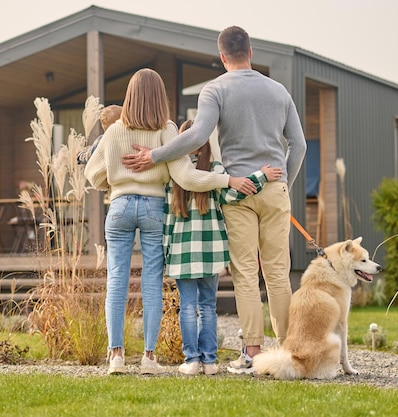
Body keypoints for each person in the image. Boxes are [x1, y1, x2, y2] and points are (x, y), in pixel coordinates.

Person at [122, 26, 307, 374]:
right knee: (279, 274)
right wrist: (284, 186)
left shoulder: (216, 89)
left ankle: (252, 352)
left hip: (237, 192)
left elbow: (196, 135)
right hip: (275, 187)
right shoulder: (279, 91)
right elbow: (299, 145)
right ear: (251, 52)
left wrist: (156, 155)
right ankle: (289, 350)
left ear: (223, 56)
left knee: (246, 273)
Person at [84, 68, 257, 375]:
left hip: (120, 206)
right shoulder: (166, 130)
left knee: (116, 280)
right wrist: (227, 179)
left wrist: (115, 180)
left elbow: (93, 175)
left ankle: (116, 356)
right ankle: (149, 358)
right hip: (153, 208)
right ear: (160, 97)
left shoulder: (113, 132)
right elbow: (187, 177)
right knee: (151, 283)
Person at [166, 120, 281, 376]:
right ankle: (209, 362)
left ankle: (192, 361)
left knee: (187, 307)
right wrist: (261, 176)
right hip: (212, 252)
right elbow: (233, 194)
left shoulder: (174, 171)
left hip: (182, 253)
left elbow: (167, 217)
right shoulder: (216, 169)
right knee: (207, 306)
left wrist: (167, 252)